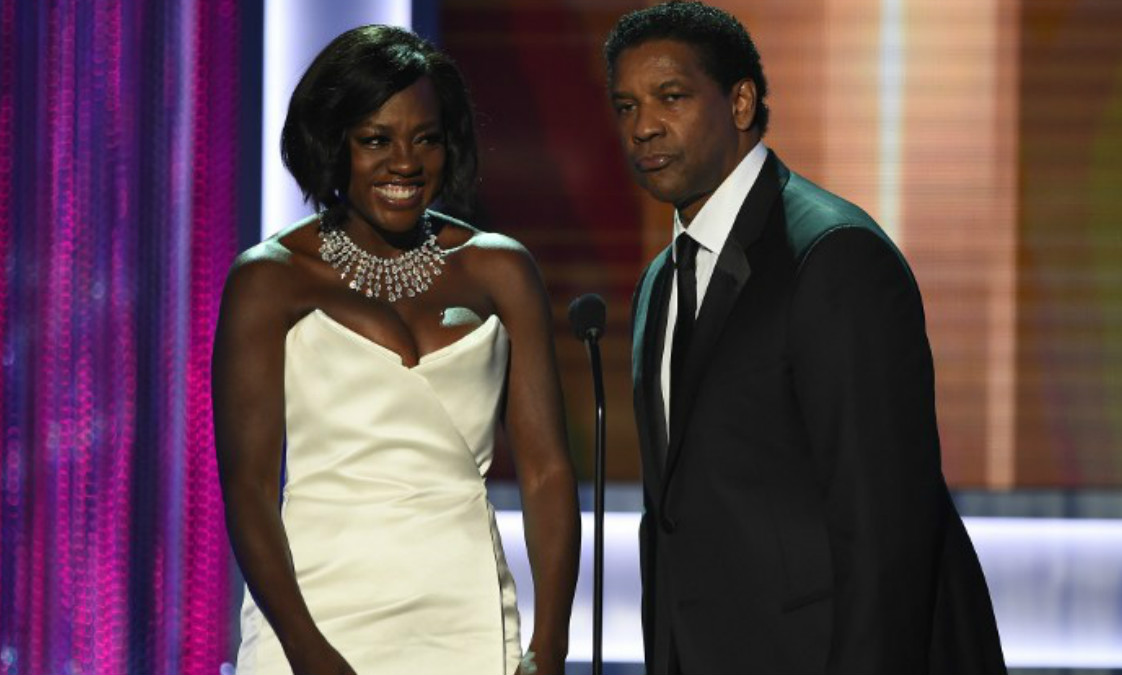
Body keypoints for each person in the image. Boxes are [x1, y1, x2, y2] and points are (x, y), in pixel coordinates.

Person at [604, 3, 1007, 673]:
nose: (644, 126)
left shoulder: (834, 255)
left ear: (740, 102)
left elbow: (884, 529)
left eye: (670, 97)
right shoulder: (659, 281)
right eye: (625, 105)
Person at [212, 25, 579, 675]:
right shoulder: (270, 279)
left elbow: (548, 472)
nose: (406, 162)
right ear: (333, 145)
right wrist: (306, 649)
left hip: (465, 620)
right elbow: (247, 488)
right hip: (314, 622)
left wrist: (549, 646)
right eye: (376, 139)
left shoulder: (500, 271)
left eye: (426, 138)